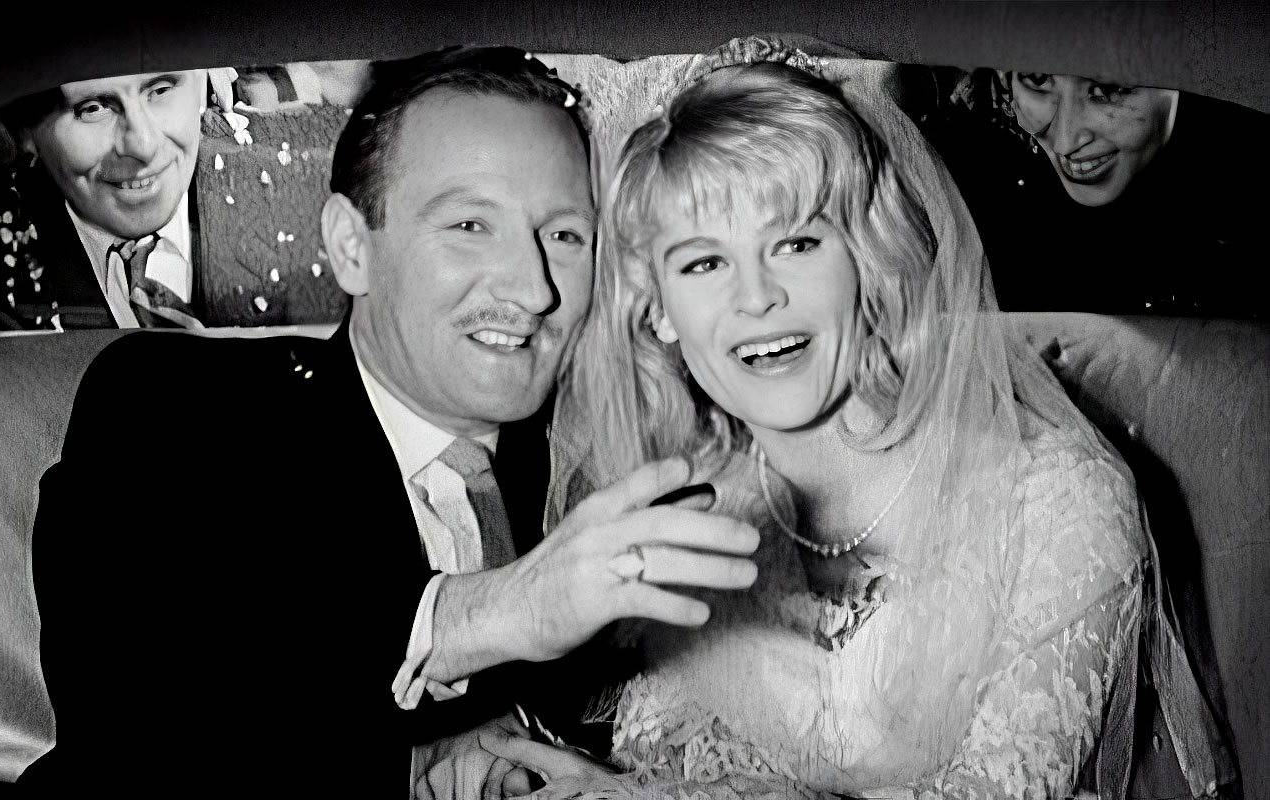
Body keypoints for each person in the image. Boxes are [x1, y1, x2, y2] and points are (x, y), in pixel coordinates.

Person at [0, 46, 761, 799]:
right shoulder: (173, 407)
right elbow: (136, 731)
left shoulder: (613, 456)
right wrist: (478, 632)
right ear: (352, 247)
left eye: (563, 235)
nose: (531, 289)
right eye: (469, 226)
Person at [483, 42, 1236, 799]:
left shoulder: (1053, 498)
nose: (756, 297)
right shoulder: (678, 512)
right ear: (659, 311)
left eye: (796, 243)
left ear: (866, 261)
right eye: (704, 262)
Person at [920, 68, 1269, 318]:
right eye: (1038, 78)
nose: (1066, 140)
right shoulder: (969, 157)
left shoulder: (1248, 179)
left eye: (1108, 85)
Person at [0, 69, 210, 332]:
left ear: (200, 83)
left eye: (160, 90)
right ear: (26, 131)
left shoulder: (235, 172)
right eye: (93, 108)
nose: (144, 146)